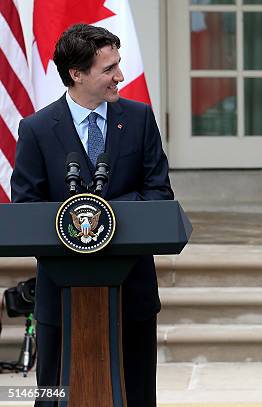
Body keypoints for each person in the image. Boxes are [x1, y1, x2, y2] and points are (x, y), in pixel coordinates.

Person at [11, 24, 172, 407]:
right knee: (56, 394)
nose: (119, 76)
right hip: (62, 294)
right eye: (108, 69)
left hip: (130, 289)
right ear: (76, 74)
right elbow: (26, 206)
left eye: (119, 64)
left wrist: (107, 215)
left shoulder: (139, 118)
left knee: (135, 394)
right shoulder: (36, 130)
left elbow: (159, 193)